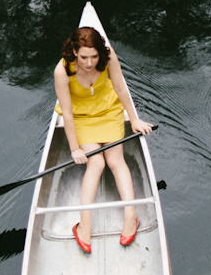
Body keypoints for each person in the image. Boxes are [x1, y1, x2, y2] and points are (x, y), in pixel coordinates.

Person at [54, 26, 153, 254]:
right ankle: (84, 223)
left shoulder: (108, 57)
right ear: (74, 52)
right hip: (80, 116)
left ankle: (131, 216)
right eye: (84, 57)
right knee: (96, 162)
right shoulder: (62, 70)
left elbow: (119, 87)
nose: (89, 63)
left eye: (94, 56)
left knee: (115, 161)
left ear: (101, 52)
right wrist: (74, 148)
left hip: (108, 111)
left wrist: (134, 119)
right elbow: (67, 113)